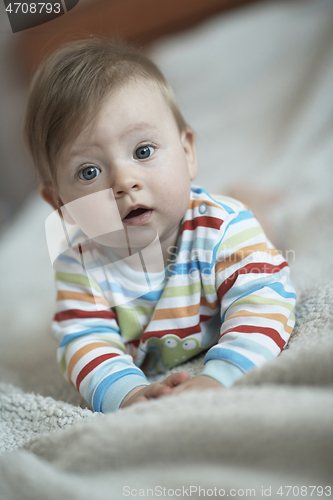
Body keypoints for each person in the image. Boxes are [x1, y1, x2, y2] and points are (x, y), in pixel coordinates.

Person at [23, 38, 296, 412]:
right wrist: (130, 394)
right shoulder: (79, 266)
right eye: (89, 171)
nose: (124, 181)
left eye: (143, 151)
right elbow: (85, 341)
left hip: (233, 237)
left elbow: (263, 300)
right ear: (60, 205)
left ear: (187, 153)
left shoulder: (224, 227)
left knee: (265, 242)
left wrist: (221, 374)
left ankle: (251, 197)